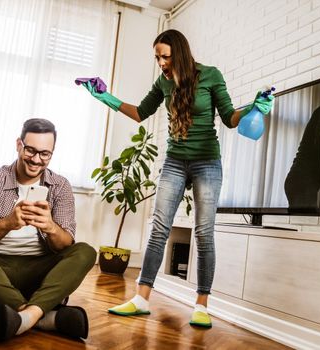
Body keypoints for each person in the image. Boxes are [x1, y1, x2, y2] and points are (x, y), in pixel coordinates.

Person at [78, 29, 274, 328]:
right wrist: (105, 97)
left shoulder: (210, 75)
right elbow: (141, 112)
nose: (161, 63)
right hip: (174, 161)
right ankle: (141, 299)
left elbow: (229, 118)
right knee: (159, 228)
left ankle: (202, 305)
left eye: (165, 56)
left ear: (179, 53)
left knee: (204, 232)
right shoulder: (163, 82)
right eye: (157, 57)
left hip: (207, 161)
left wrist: (253, 107)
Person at [0, 118, 97, 342]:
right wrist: (8, 223)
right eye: (30, 150)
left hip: (38, 276)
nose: (36, 160)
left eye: (45, 154)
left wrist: (51, 228)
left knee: (86, 251)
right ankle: (41, 315)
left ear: (52, 153)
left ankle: (25, 316)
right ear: (19, 145)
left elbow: (67, 243)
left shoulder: (61, 186)